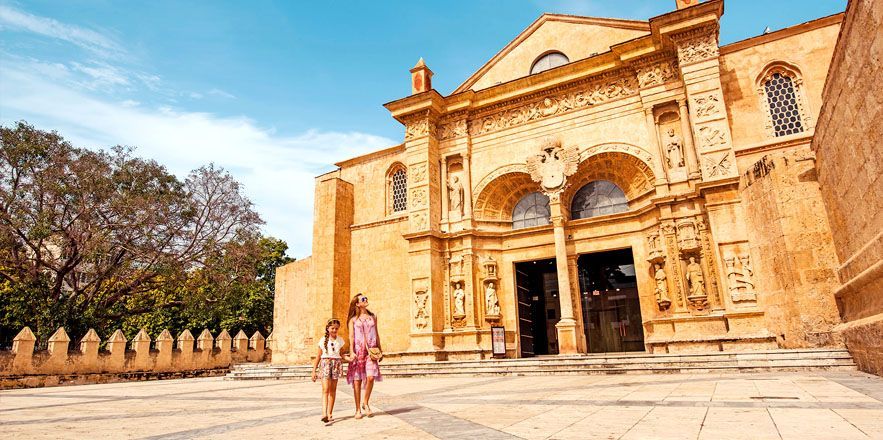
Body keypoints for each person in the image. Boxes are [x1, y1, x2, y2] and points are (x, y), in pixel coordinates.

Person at [346, 293, 383, 419]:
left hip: (371, 351)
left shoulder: (373, 316)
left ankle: (365, 402)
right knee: (357, 381)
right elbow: (351, 337)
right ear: (357, 303)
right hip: (358, 351)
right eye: (363, 299)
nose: (366, 299)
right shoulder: (353, 320)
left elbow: (376, 333)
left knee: (371, 377)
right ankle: (357, 409)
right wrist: (351, 351)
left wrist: (380, 349)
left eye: (366, 298)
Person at [311, 318, 346, 423]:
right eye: (332, 328)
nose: (334, 330)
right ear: (328, 328)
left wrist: (351, 358)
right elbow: (318, 356)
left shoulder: (340, 340)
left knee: (333, 390)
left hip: (336, 364)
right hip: (325, 364)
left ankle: (330, 413)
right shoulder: (322, 340)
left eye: (336, 328)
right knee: (325, 389)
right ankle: (324, 413)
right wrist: (314, 371)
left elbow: (342, 354)